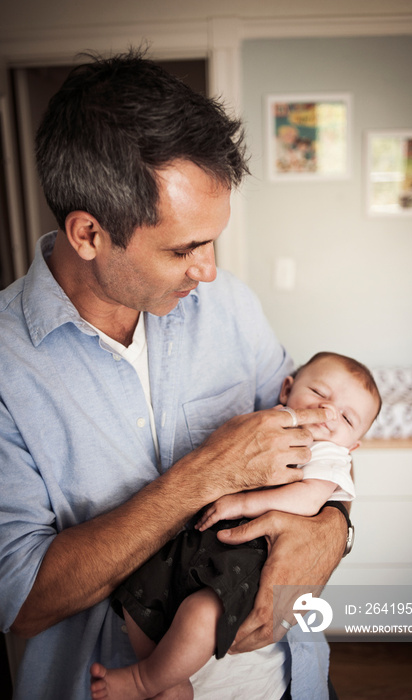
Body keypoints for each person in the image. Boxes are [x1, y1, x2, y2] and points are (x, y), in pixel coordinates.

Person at [0, 50, 349, 700]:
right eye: (184, 248)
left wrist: (332, 532)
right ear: (87, 234)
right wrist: (206, 475)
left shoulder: (231, 307)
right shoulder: (6, 367)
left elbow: (318, 438)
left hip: (290, 679)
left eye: (212, 240)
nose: (209, 270)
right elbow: (19, 600)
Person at [89, 351, 381, 700]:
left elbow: (308, 499)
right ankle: (168, 676)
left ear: (354, 444)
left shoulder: (330, 456)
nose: (328, 412)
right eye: (319, 393)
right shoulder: (266, 422)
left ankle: (145, 681)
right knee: (137, 591)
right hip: (200, 537)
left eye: (347, 418)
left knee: (202, 613)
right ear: (287, 389)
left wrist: (243, 502)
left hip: (250, 554)